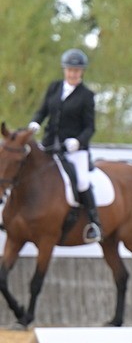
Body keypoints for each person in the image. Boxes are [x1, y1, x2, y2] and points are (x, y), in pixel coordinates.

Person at [29, 48, 102, 243]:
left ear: (82, 72)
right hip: (49, 145)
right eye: (70, 70)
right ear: (64, 70)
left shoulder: (86, 95)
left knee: (82, 182)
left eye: (76, 71)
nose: (73, 74)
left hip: (74, 150)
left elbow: (90, 127)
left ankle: (95, 223)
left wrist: (77, 141)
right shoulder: (54, 88)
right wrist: (35, 123)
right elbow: (42, 111)